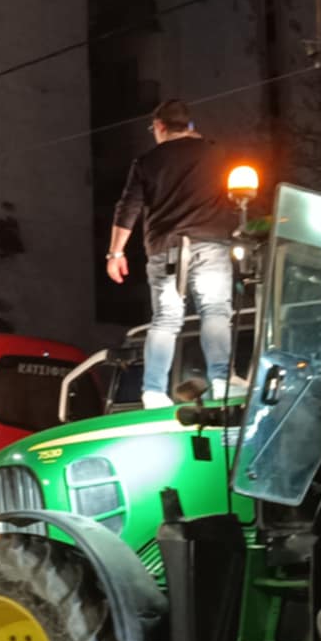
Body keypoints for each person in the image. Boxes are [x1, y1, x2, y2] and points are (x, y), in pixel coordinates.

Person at [105, 99, 238, 409]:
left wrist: (115, 253)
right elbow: (235, 196)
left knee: (165, 319)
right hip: (211, 242)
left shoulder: (147, 162)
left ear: (161, 127)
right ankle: (221, 380)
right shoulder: (217, 153)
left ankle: (153, 391)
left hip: (166, 248)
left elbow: (128, 207)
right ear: (189, 126)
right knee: (216, 311)